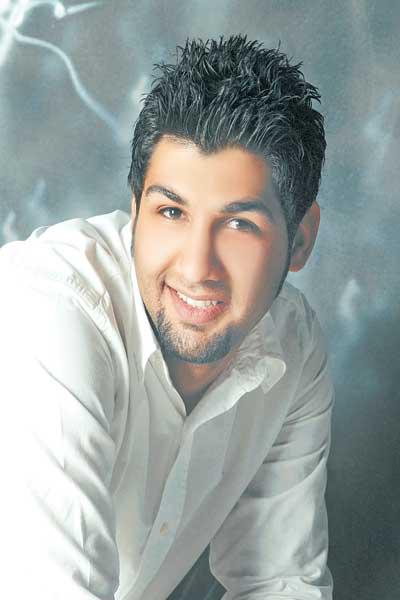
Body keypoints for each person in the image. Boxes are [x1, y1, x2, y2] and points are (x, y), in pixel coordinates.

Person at [0, 34, 334, 600]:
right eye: (172, 211)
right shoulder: (52, 311)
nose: (196, 267)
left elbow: (279, 583)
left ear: (300, 239)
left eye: (239, 224)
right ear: (135, 212)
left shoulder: (292, 350)